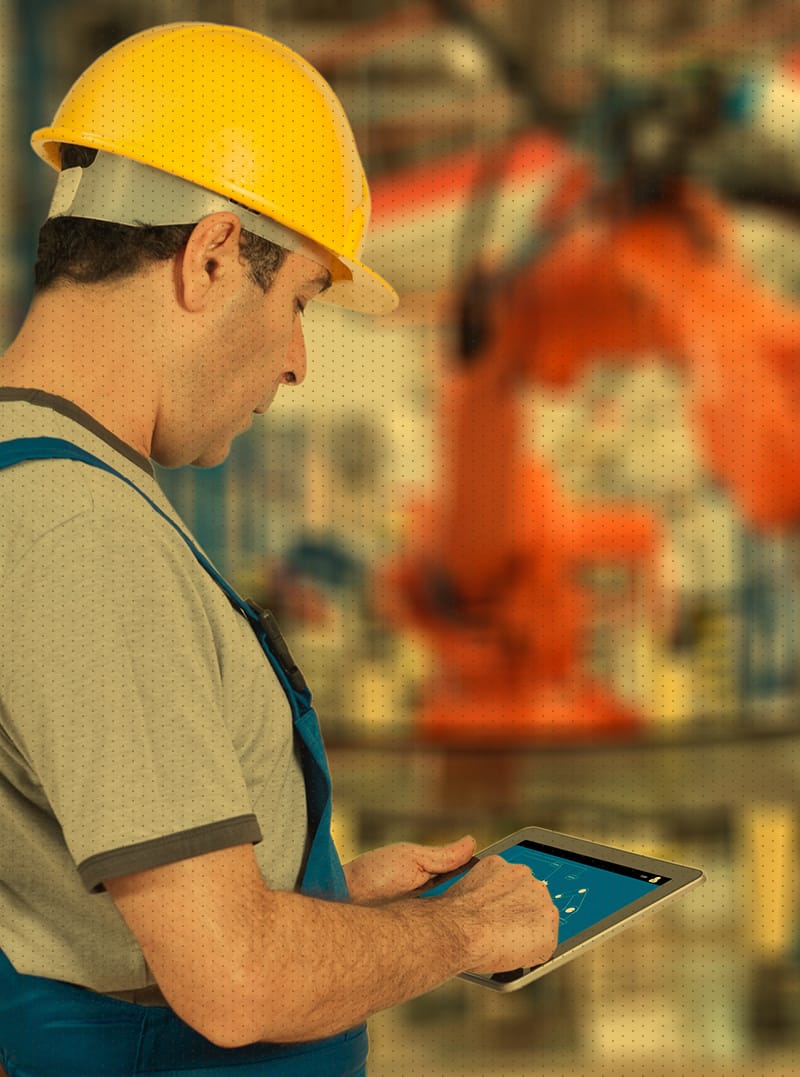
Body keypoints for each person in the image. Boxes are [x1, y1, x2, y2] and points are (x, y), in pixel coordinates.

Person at [0, 23, 558, 1076]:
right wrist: (462, 932)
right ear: (211, 256)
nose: (300, 360)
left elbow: (102, 914)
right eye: (300, 299)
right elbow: (235, 982)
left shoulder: (38, 480)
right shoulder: (81, 535)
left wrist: (324, 905)